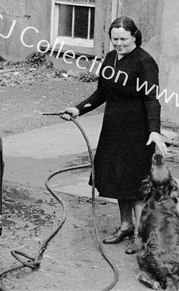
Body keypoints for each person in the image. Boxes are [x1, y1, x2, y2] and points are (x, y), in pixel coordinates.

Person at [60, 16, 167, 248]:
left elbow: (152, 99)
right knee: (119, 180)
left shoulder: (144, 62)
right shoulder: (109, 59)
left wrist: (155, 131)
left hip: (137, 132)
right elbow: (102, 93)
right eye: (115, 39)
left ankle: (142, 235)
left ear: (135, 36)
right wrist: (78, 109)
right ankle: (126, 225)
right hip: (113, 129)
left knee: (136, 186)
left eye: (124, 39)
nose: (119, 44)